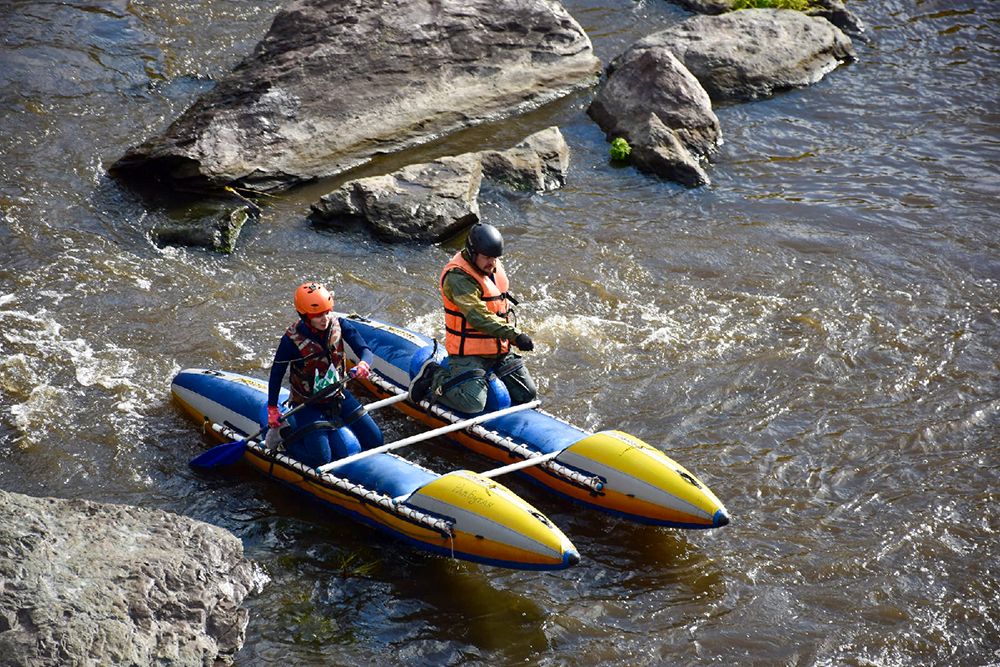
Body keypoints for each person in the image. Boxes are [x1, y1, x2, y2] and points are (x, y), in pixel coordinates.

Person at [409, 223, 537, 413]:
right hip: (468, 354)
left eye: (495, 258)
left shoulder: (490, 264)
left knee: (528, 393)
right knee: (473, 404)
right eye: (487, 258)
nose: (492, 263)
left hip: (498, 349)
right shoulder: (458, 278)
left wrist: (510, 339)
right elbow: (478, 317)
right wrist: (515, 335)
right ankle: (434, 375)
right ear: (473, 253)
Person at [266, 282, 382, 468]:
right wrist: (272, 408)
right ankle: (285, 440)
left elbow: (365, 350)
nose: (325, 319)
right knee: (321, 459)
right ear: (305, 316)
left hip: (338, 396)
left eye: (327, 312)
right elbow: (276, 373)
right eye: (318, 315)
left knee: (376, 440)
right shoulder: (291, 341)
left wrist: (363, 363)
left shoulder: (339, 324)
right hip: (307, 403)